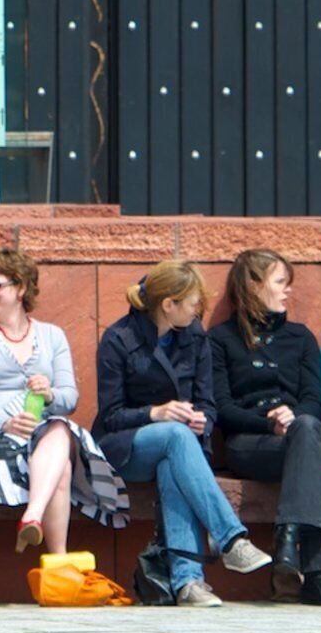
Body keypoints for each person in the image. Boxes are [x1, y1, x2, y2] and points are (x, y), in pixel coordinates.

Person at [92, 259, 274, 606]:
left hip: (180, 448)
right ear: (168, 304)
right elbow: (111, 415)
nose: (198, 310)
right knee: (175, 436)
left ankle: (188, 583)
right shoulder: (119, 339)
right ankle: (231, 539)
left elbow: (208, 403)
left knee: (173, 462)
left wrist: (202, 419)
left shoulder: (195, 337)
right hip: (125, 446)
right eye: (192, 303)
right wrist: (155, 413)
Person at [0, 246, 125, 558]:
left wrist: (49, 393)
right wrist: (4, 422)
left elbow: (69, 398)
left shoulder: (53, 336)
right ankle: (58, 557)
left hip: (42, 433)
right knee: (61, 467)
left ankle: (33, 516)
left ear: (21, 287)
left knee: (60, 430)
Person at [200, 249, 321, 605]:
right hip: (250, 444)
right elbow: (221, 408)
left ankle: (289, 541)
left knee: (310, 430)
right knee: (312, 443)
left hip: (299, 437)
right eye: (281, 283)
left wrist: (293, 417)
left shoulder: (300, 337)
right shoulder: (220, 339)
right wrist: (269, 424)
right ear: (253, 286)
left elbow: (315, 399)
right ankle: (315, 573)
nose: (288, 292)